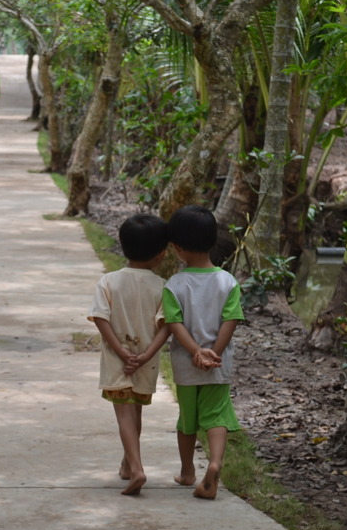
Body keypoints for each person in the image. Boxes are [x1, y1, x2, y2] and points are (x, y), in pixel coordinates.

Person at [162, 205, 243, 500]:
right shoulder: (228, 282)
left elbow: (174, 324)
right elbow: (230, 320)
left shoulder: (175, 284)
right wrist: (213, 353)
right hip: (218, 364)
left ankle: (187, 472)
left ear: (178, 248)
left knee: (188, 419)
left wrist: (196, 352)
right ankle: (215, 463)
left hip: (186, 364)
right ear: (212, 240)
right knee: (216, 416)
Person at [88, 213, 171, 496]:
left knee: (123, 413)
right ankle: (127, 464)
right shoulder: (162, 286)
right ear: (161, 254)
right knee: (135, 412)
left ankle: (136, 469)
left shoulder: (108, 282)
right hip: (145, 363)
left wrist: (122, 352)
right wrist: (146, 354)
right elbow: (167, 326)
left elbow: (101, 319)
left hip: (117, 360)